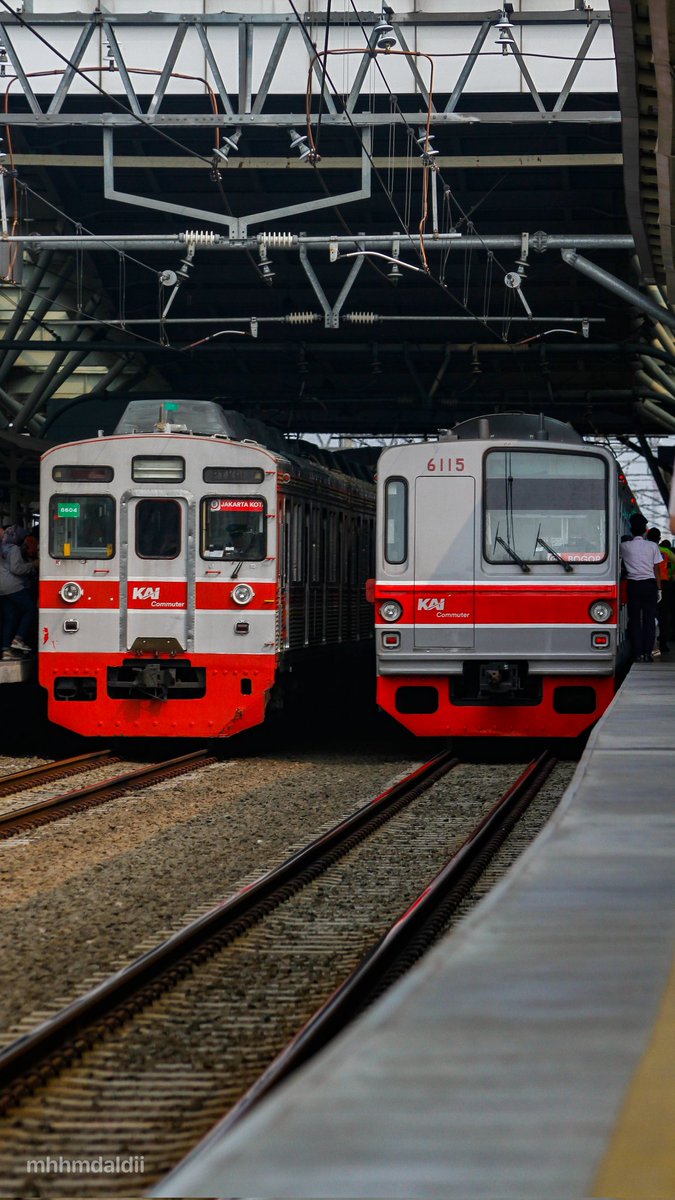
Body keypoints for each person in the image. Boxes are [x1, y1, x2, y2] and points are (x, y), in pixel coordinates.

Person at [620, 513, 663, 662]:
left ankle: (637, 652)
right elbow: (657, 568)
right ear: (645, 530)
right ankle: (647, 652)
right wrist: (659, 589)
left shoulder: (624, 547)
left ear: (631, 530)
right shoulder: (652, 546)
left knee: (634, 620)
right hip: (650, 586)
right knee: (649, 620)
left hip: (633, 586)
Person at [0, 525, 37, 658]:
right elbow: (16, 569)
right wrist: (32, 565)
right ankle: (18, 639)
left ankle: (5, 650)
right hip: (13, 586)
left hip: (2, 588)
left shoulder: (2, 547)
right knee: (30, 610)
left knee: (9, 617)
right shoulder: (13, 548)